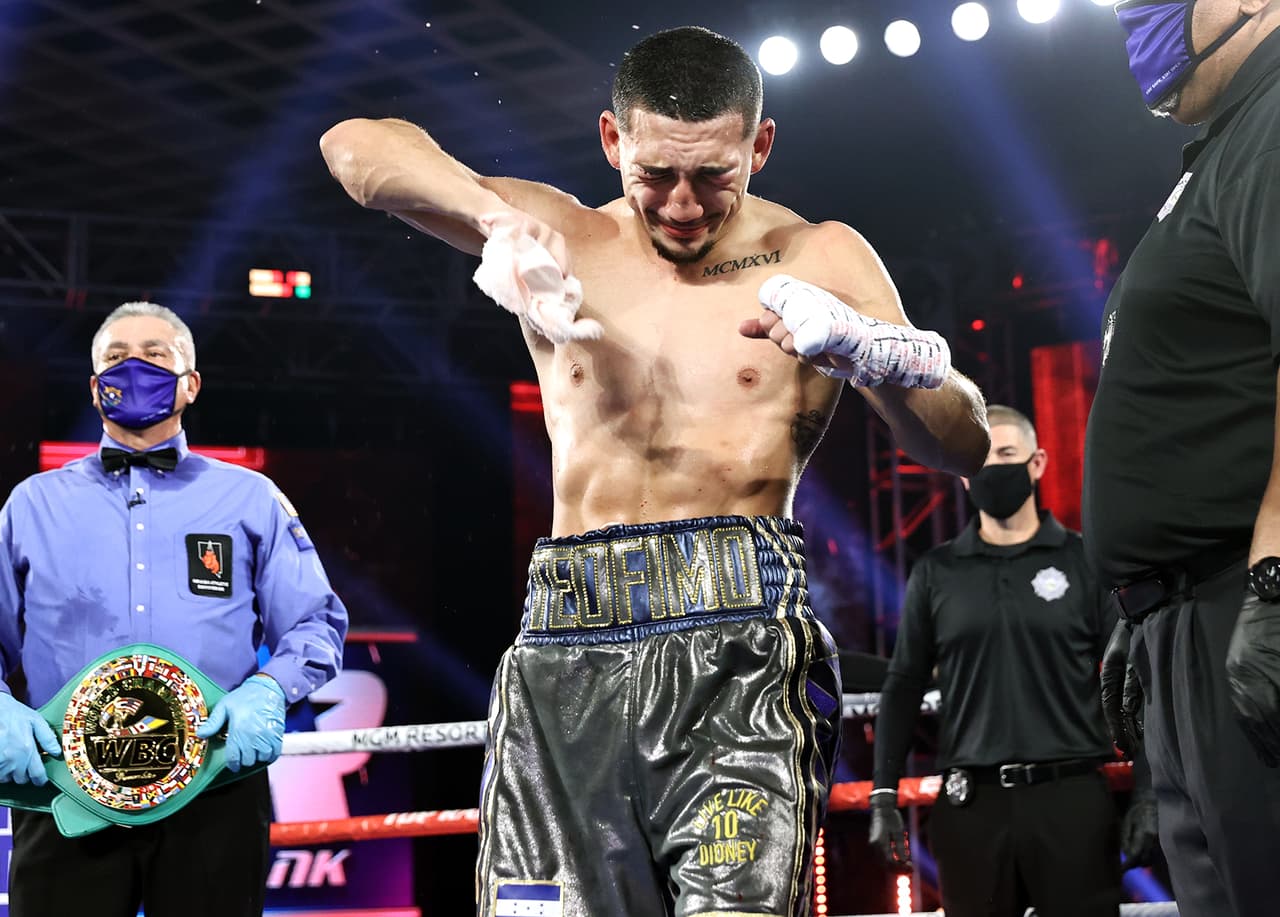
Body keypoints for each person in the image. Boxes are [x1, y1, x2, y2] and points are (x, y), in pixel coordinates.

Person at [321, 25, 989, 917]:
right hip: (565, 643)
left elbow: (963, 445)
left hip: (742, 653)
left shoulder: (819, 256)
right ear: (612, 141)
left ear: (759, 144)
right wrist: (498, 220)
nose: (681, 203)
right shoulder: (562, 235)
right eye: (656, 174)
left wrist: (879, 354)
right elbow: (354, 148)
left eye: (713, 174)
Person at [0, 301, 349, 916]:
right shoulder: (31, 504)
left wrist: (267, 691)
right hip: (66, 784)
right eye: (115, 357)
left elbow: (315, 621)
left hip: (214, 786)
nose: (133, 366)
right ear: (93, 386)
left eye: (155, 355)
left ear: (191, 384)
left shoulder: (251, 497)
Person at [1085, 3, 1280, 915]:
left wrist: (1275, 578)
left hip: (1242, 597)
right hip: (1184, 617)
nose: (1137, 20)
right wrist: (1144, 600)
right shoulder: (1221, 146)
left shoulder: (1275, 117)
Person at [868, 406, 1157, 916]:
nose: (993, 469)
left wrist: (1149, 791)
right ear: (961, 475)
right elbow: (904, 682)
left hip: (1071, 799)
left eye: (1006, 455)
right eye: (980, 459)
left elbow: (1135, 680)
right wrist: (883, 796)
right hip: (971, 804)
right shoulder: (937, 573)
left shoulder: (1081, 562)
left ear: (1038, 462)